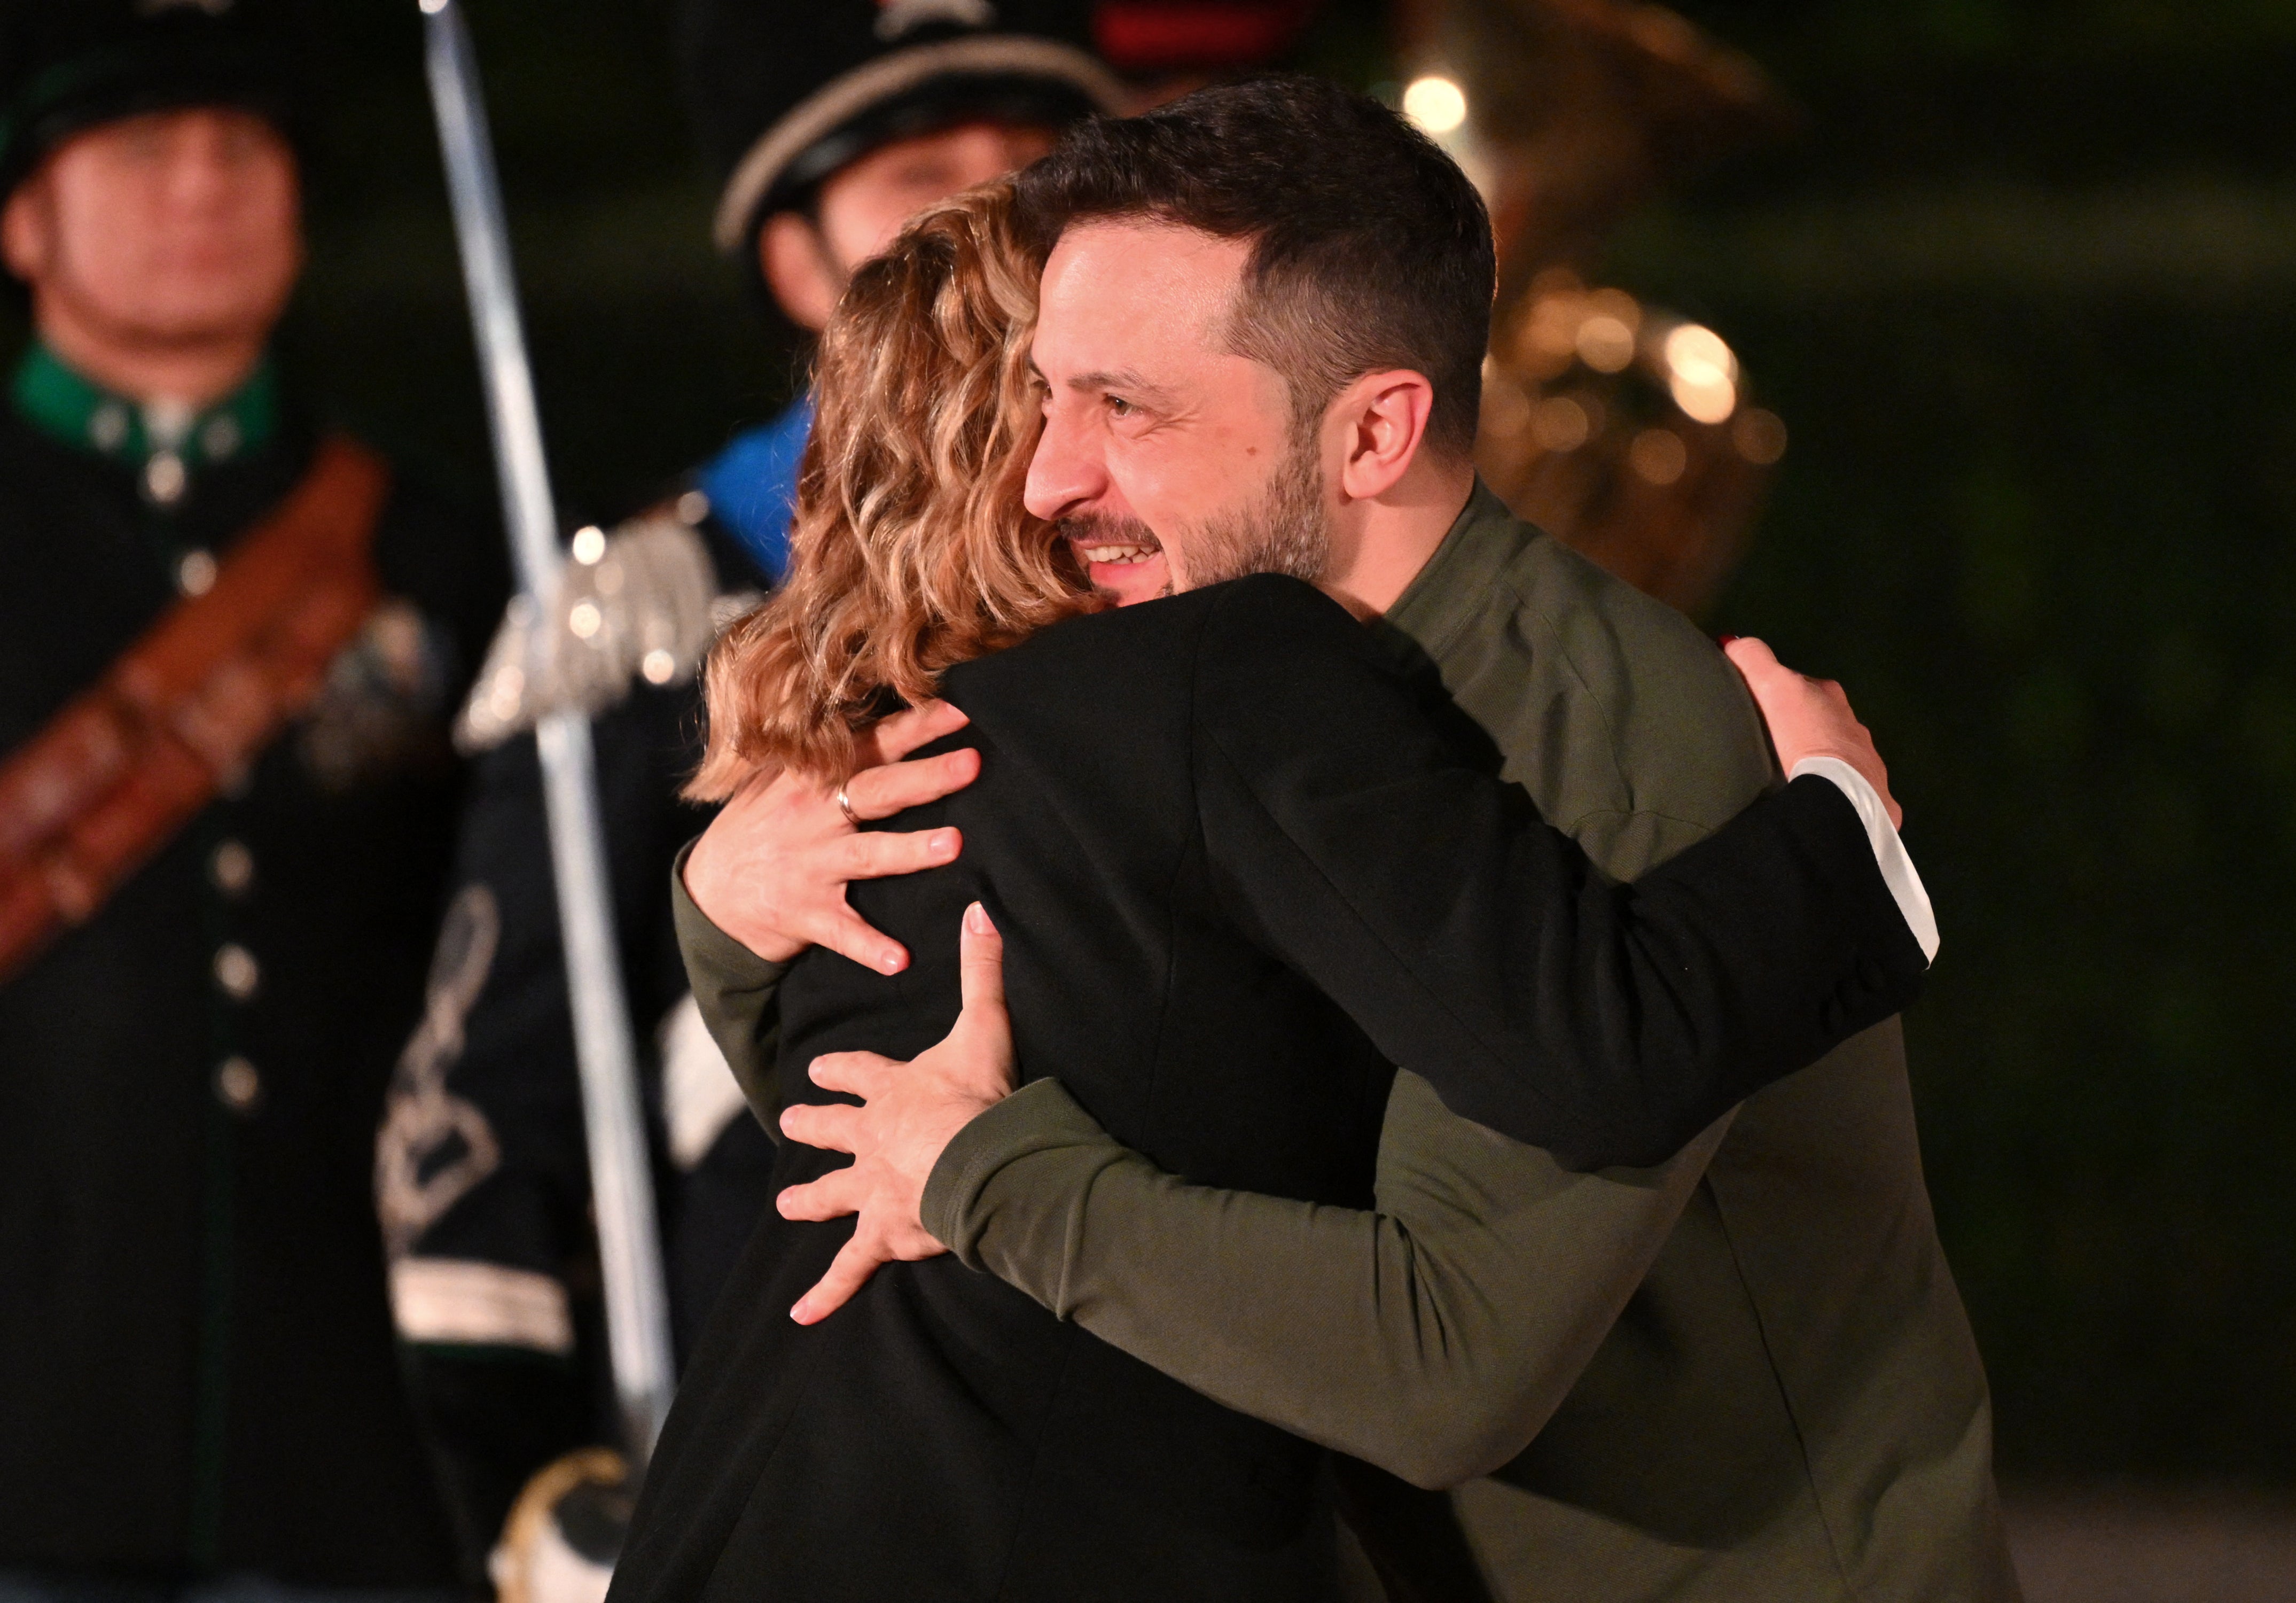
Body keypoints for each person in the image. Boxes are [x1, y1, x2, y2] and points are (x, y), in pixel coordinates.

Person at [673, 79, 2019, 1601]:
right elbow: (916, 1123)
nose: (1046, 477)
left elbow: (1442, 1373)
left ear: (1374, 431)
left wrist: (993, 1181)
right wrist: (726, 910)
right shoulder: (1220, 712)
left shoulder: (1590, 729)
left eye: (1128, 408)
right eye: (1050, 396)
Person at [371, 0, 1128, 1566]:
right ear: (795, 261)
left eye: (1041, 162)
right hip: (775, 1459)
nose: (998, 215)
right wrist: (535, 1501)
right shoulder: (657, 619)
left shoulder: (1192, 573)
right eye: (922, 169)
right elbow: (474, 1139)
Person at [0, 1, 512, 1597]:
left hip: (346, 1439)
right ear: (23, 216)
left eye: (245, 149)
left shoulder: (433, 551)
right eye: (144, 149)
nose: (204, 187)